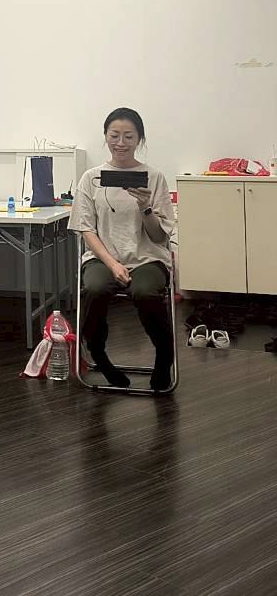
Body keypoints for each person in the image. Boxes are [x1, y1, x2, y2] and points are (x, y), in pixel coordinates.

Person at [69, 108, 174, 391]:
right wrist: (112, 264)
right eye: (114, 135)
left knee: (145, 292)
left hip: (147, 258)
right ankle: (98, 353)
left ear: (140, 139)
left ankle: (164, 356)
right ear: (105, 136)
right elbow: (85, 229)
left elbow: (159, 236)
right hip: (102, 258)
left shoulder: (154, 177)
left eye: (129, 136)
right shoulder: (91, 178)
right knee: (95, 288)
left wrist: (145, 207)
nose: (121, 142)